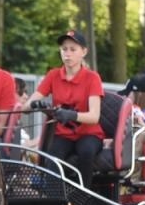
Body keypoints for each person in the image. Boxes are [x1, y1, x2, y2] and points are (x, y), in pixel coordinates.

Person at [32, 28, 103, 182]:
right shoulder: (53, 75)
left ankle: (83, 194)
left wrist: (71, 115)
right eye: (64, 49)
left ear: (84, 52)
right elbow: (28, 105)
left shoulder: (92, 78)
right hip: (62, 135)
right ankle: (55, 195)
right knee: (52, 158)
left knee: (86, 151)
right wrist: (35, 104)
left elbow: (94, 117)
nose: (67, 53)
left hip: (89, 134)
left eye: (73, 49)